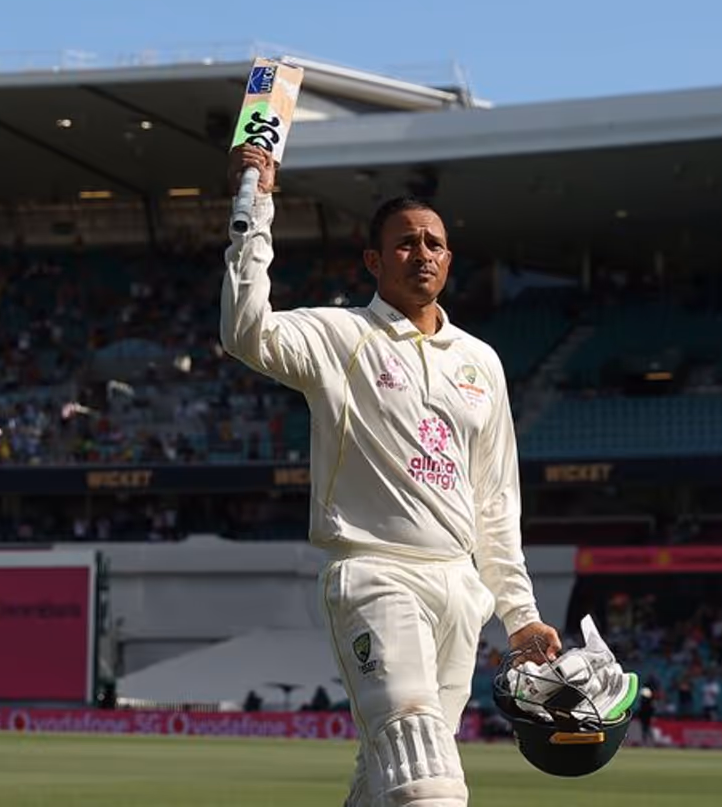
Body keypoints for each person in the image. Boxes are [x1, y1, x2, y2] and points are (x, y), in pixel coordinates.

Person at [221, 144, 560, 806]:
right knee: (423, 770)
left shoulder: (481, 361)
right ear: (374, 261)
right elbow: (245, 331)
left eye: (434, 243)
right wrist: (252, 206)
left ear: (449, 259)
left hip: (459, 589)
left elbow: (495, 502)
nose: (422, 253)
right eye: (405, 243)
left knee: (386, 777)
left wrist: (520, 616)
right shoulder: (340, 335)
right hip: (375, 572)